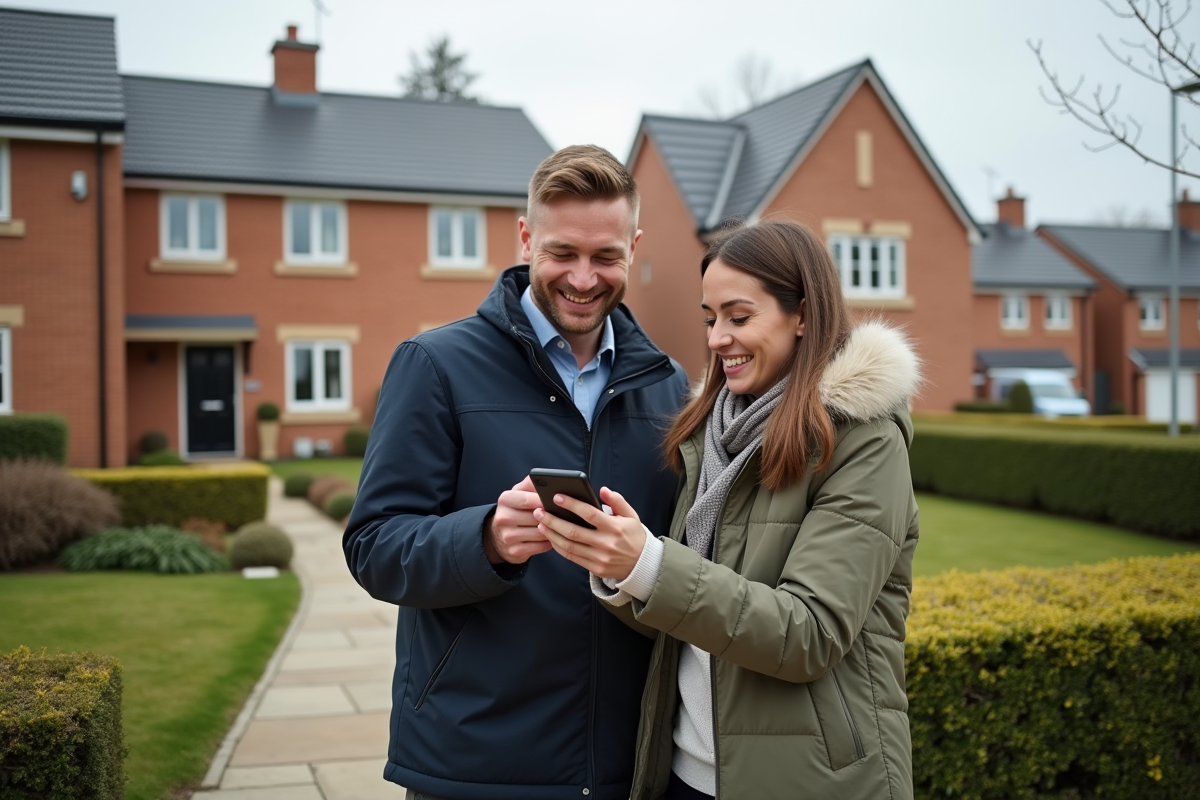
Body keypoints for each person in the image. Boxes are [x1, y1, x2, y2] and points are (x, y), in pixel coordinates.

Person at [343, 145, 689, 800]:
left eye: (606, 257)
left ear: (634, 247)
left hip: (630, 766)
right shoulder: (434, 365)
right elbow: (374, 546)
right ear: (525, 236)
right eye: (563, 253)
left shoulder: (669, 386)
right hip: (474, 763)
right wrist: (488, 542)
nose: (584, 278)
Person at [535, 220, 921, 800]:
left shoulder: (865, 441)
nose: (717, 340)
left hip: (808, 781)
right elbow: (695, 619)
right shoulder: (713, 434)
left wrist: (650, 565)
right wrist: (620, 564)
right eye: (710, 319)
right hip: (687, 772)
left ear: (803, 315)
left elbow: (807, 634)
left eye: (739, 318)